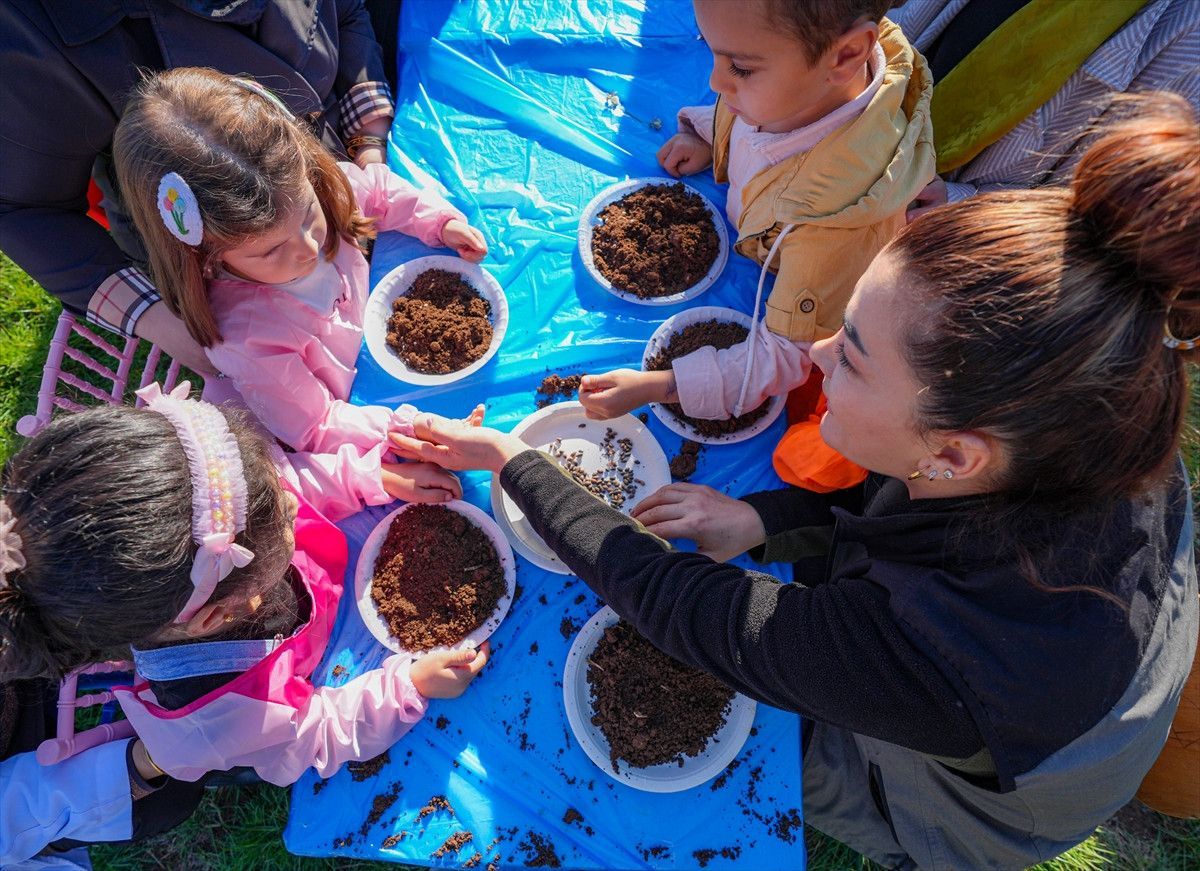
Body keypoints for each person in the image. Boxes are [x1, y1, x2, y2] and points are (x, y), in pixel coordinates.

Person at [394, 93, 1198, 867]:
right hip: (1074, 674)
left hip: (992, 807)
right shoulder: (1099, 407)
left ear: (956, 454)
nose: (814, 355)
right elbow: (895, 498)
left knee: (779, 740)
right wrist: (764, 521)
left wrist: (513, 461)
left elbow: (680, 605)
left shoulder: (937, 655)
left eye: (852, 356)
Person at [0, 384, 489, 787]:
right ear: (221, 613)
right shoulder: (218, 717)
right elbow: (316, 734)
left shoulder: (216, 520)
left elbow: (290, 482)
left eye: (270, 492)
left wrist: (370, 479)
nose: (291, 504)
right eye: (281, 518)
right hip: (284, 697)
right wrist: (409, 686)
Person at [578, 0, 934, 494]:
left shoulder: (840, 229)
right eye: (712, 53)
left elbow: (787, 355)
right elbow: (748, 122)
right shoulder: (796, 95)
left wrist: (664, 385)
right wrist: (710, 137)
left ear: (847, 54)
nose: (715, 81)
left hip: (800, 293)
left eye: (740, 67)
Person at [112, 67, 486, 476]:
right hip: (330, 423)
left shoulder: (315, 190)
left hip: (368, 360)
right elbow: (318, 426)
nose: (309, 248)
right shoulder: (249, 337)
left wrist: (439, 222)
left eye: (309, 214)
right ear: (206, 256)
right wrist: (411, 428)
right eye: (272, 250)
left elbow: (377, 191)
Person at [0, 0, 405, 378]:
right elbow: (25, 209)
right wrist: (162, 320)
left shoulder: (327, 191)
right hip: (226, 257)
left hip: (329, 168)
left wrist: (367, 141)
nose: (311, 249)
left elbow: (347, 12)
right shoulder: (32, 23)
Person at [896, 0, 1199, 220]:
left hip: (927, 232)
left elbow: (1105, 204)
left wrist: (956, 203)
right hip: (875, 127)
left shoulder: (1188, 31)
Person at [0, 678, 205, 868]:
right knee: (172, 797)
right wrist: (146, 762)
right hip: (31, 806)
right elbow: (20, 811)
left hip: (22, 686)